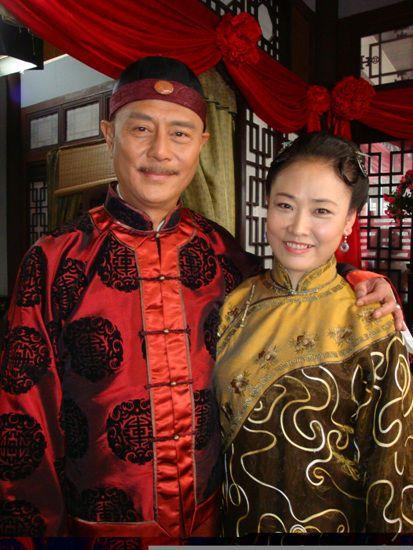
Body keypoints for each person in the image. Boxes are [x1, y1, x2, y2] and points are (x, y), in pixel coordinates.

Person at [0, 58, 402, 539]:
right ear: (109, 135)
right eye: (141, 129)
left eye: (180, 133)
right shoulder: (54, 261)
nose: (160, 151)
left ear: (202, 145)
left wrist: (354, 277)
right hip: (102, 530)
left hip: (216, 523)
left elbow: (290, 289)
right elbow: (23, 421)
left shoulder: (220, 252)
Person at [214, 132, 412, 537]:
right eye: (284, 205)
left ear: (349, 220)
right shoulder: (234, 304)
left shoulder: (372, 321)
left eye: (321, 210)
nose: (298, 227)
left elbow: (392, 477)